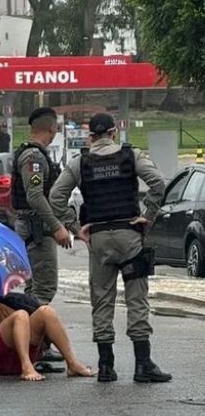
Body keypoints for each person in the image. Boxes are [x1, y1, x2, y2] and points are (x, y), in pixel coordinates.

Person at [49, 112, 171, 383]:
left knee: (102, 300)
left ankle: (106, 365)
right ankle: (143, 364)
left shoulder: (80, 162)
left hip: (99, 237)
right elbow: (158, 183)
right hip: (130, 234)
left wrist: (74, 226)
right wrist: (148, 216)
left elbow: (56, 196)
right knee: (136, 298)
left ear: (91, 137)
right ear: (114, 133)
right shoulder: (131, 156)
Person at [10, 107, 72, 305]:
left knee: (33, 290)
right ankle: (29, 331)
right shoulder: (34, 158)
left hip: (31, 227)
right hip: (36, 230)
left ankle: (28, 332)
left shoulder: (32, 154)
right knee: (44, 289)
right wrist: (57, 227)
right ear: (53, 128)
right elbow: (35, 196)